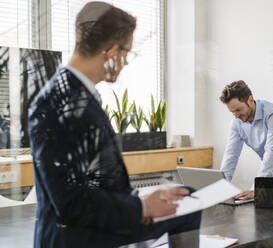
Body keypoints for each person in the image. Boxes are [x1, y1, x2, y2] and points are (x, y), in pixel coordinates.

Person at [28, 2, 200, 248]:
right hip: (76, 237)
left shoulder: (76, 94)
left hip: (89, 224)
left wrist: (142, 201)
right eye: (127, 52)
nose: (126, 62)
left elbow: (91, 181)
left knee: (186, 198)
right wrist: (141, 206)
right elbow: (71, 203)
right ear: (111, 52)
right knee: (188, 204)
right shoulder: (62, 102)